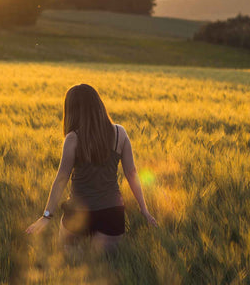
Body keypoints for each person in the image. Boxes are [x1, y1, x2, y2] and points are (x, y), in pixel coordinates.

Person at [25, 83, 158, 255]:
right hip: (111, 214)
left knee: (71, 268)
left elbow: (61, 179)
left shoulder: (73, 139)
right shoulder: (120, 133)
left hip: (77, 214)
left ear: (72, 110)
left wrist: (46, 216)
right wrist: (144, 210)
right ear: (98, 105)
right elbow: (131, 173)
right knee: (105, 269)